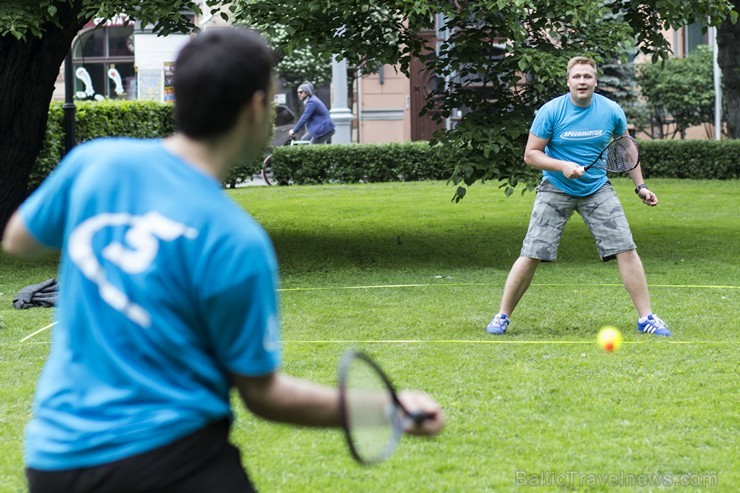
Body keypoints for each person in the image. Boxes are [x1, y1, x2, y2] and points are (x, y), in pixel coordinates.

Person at [2, 28, 443, 493]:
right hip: (171, 462)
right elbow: (263, 394)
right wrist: (382, 409)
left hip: (54, 461)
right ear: (255, 108)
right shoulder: (236, 240)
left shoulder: (95, 163)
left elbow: (19, 241)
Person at [485, 56, 671, 338]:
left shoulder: (611, 111)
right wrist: (563, 166)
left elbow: (627, 149)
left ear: (596, 81)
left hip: (597, 188)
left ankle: (646, 318)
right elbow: (531, 154)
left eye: (587, 76)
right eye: (577, 76)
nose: (582, 81)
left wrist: (640, 187)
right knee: (532, 252)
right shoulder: (551, 111)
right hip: (555, 187)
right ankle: (502, 315)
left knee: (626, 248)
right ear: (568, 81)